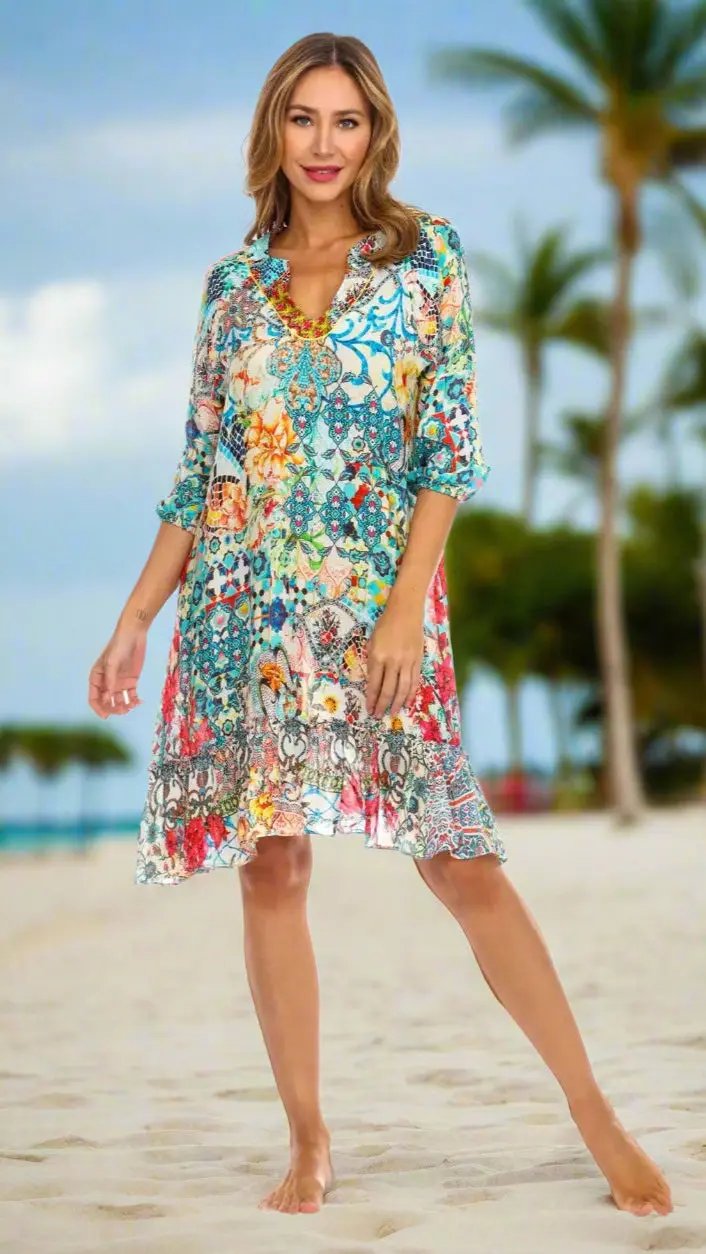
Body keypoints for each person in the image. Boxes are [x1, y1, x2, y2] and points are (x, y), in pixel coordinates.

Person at [88, 32, 673, 1220]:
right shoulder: (231, 284)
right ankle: (308, 1140)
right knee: (274, 863)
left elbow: (445, 451)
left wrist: (407, 603)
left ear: (376, 134)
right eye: (303, 120)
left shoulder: (426, 263)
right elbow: (203, 475)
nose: (322, 144)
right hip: (241, 615)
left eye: (345, 121)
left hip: (375, 614)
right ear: (273, 132)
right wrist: (137, 615)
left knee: (458, 857)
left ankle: (592, 1110)